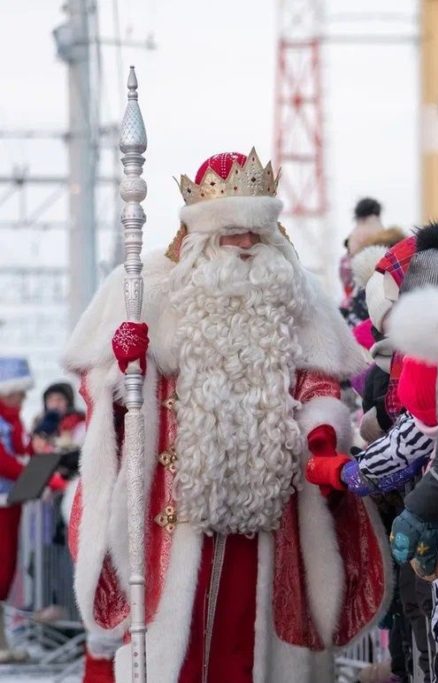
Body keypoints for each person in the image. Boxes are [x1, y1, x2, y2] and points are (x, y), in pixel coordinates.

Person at [65, 149, 391, 683]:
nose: (243, 247)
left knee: (253, 636)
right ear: (200, 238)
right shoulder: (148, 289)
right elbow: (111, 399)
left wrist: (321, 430)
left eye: (254, 235)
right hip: (175, 507)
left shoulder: (296, 296)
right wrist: (127, 366)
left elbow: (317, 380)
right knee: (183, 639)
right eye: (230, 235)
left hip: (272, 508)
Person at [0, 357, 33, 664]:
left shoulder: (14, 421)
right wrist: (33, 472)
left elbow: (22, 453)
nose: (22, 399)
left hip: (11, 502)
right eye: (18, 393)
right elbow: (4, 462)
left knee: (6, 571)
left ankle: (2, 641)